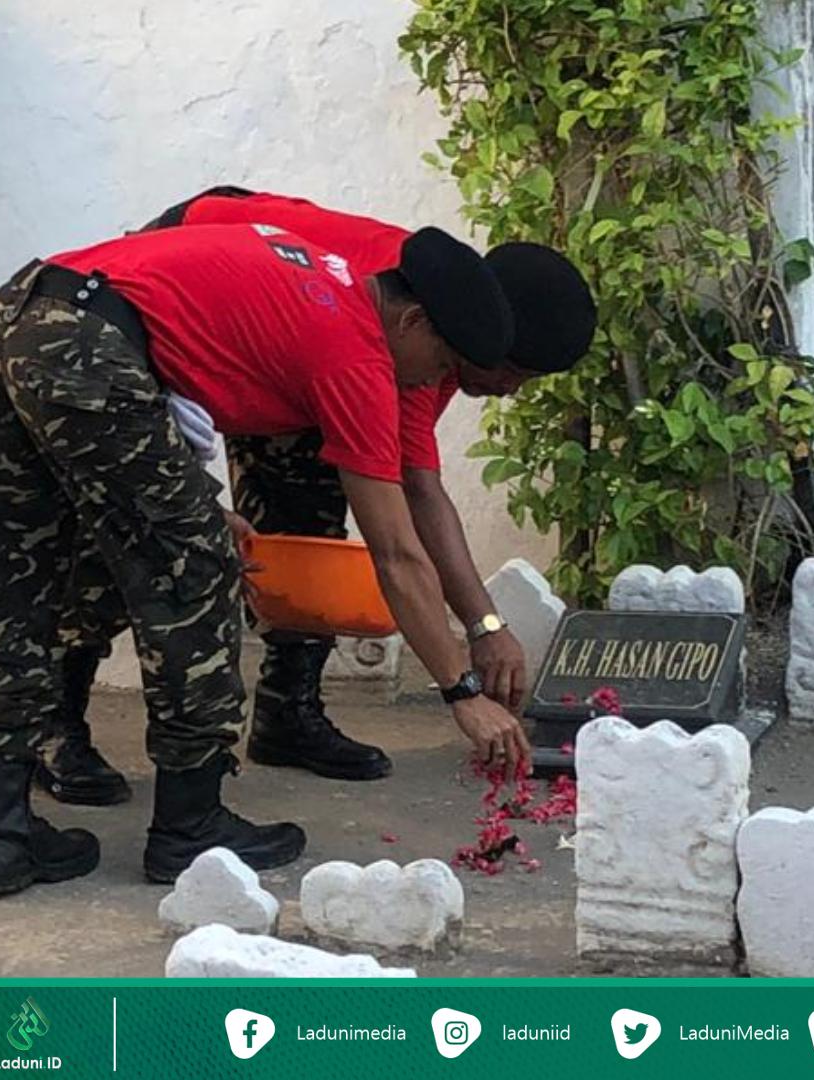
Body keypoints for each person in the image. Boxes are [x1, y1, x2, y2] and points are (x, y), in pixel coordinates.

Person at [0, 220, 529, 895]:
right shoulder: (355, 353)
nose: (431, 384)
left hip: (17, 312)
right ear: (410, 321)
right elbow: (397, 556)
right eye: (440, 366)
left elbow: (161, 339)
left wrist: (191, 496)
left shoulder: (320, 281)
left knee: (12, 573)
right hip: (88, 344)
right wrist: (461, 692)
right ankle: (190, 826)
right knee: (194, 575)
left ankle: (3, 837)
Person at [30, 189, 597, 804]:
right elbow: (409, 516)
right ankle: (58, 722)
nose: (510, 390)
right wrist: (472, 654)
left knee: (306, 515)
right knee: (136, 518)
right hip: (152, 300)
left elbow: (411, 492)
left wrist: (483, 625)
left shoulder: (432, 335)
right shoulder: (410, 328)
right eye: (512, 373)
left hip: (298, 336)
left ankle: (286, 712)